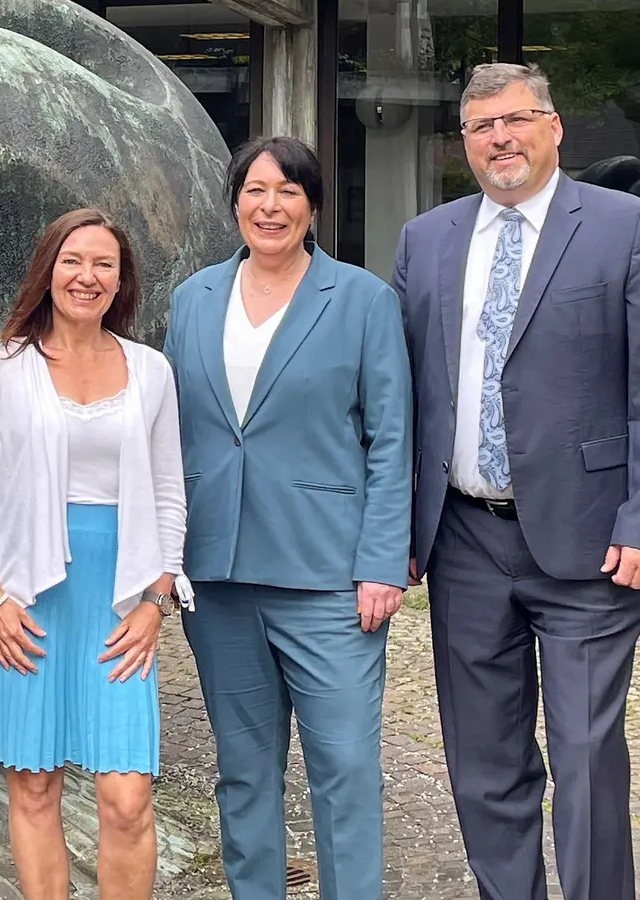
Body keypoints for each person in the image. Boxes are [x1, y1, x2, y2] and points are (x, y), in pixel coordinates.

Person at [394, 63, 640, 900]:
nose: (500, 138)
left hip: (590, 540)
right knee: (484, 762)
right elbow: (400, 394)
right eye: (482, 126)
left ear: (553, 127)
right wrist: (395, 527)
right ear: (463, 142)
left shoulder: (628, 226)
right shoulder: (426, 240)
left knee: (586, 757)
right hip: (464, 540)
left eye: (516, 119)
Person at [162, 135, 412, 900]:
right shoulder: (192, 298)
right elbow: (172, 434)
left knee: (345, 767)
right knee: (242, 771)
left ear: (313, 206)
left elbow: (392, 439)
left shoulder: (362, 300)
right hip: (219, 573)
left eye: (289, 191)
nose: (270, 207)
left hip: (328, 577)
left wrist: (382, 561)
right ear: (235, 202)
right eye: (255, 191)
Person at [0, 207, 191, 900]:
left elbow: (171, 495)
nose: (87, 276)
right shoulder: (1, 364)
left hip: (118, 600)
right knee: (33, 787)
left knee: (126, 798)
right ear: (47, 270)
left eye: (103, 264)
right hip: (22, 599)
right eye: (73, 261)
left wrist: (156, 601)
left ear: (121, 279)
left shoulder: (151, 370)